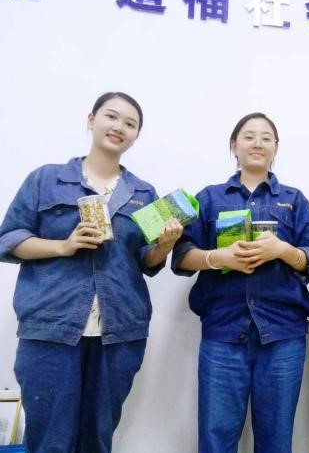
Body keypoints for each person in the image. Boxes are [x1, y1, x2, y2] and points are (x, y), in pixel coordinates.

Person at [0, 91, 183, 453]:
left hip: (119, 331)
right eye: (111, 116)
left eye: (130, 123)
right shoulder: (47, 179)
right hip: (51, 327)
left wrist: (165, 245)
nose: (119, 127)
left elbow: (146, 262)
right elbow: (9, 238)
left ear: (136, 135)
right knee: (49, 440)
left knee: (98, 438)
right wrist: (63, 246)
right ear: (91, 119)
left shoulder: (144, 193)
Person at [172, 112, 309, 453]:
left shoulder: (294, 200)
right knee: (216, 439)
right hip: (223, 331)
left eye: (266, 138)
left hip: (282, 333)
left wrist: (283, 251)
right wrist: (218, 258)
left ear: (276, 148)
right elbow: (181, 256)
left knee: (276, 439)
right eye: (249, 136)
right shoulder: (209, 198)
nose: (257, 143)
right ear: (233, 146)